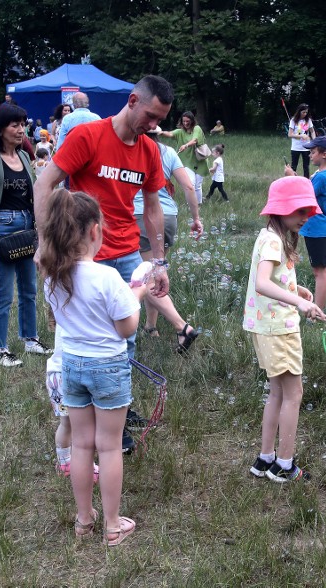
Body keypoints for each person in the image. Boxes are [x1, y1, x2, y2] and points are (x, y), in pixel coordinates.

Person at [34, 75, 202, 453]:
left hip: (127, 250)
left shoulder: (148, 151)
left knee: (127, 334)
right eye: (152, 116)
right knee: (90, 340)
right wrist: (46, 240)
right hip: (84, 254)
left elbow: (154, 207)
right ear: (132, 101)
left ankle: (119, 410)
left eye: (161, 120)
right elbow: (45, 183)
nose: (155, 125)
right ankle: (94, 423)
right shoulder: (87, 137)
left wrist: (158, 261)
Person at [38, 189, 145, 546]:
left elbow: (63, 320)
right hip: (108, 368)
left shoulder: (52, 278)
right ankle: (113, 526)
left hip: (72, 367)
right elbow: (126, 327)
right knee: (110, 447)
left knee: (82, 445)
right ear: (95, 231)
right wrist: (138, 297)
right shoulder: (107, 278)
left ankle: (84, 521)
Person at [245, 176, 324, 482]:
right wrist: (300, 303)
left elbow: (270, 278)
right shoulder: (274, 240)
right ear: (281, 209)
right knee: (293, 394)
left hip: (265, 326)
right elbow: (262, 283)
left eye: (308, 211)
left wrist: (297, 289)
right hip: (279, 328)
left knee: (277, 393)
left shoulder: (268, 235)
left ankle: (265, 459)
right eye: (300, 211)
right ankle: (286, 465)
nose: (305, 218)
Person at [0, 103, 53, 368]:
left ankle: (30, 338)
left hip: (27, 227)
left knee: (29, 289)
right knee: (3, 293)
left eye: (22, 124)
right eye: (15, 125)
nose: (21, 130)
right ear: (0, 128)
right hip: (3, 230)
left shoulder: (21, 157)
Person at [135, 127, 202, 350]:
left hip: (141, 216)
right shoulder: (168, 152)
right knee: (156, 272)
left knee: (147, 278)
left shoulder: (133, 150)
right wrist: (196, 218)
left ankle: (182, 327)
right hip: (169, 217)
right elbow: (189, 186)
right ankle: (150, 326)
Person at [285, 135, 326, 310]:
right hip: (319, 227)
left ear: (324, 154)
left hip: (316, 228)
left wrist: (292, 178)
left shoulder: (322, 177)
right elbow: (308, 189)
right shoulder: (323, 174)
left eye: (313, 152)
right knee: (323, 270)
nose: (310, 155)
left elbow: (304, 197)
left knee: (319, 272)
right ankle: (321, 308)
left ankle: (318, 312)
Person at [46, 326, 99, 483]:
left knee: (65, 424)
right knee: (84, 428)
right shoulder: (80, 314)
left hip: (55, 375)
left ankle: (65, 464)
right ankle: (87, 467)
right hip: (73, 374)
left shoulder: (62, 313)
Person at [159, 111, 210, 201]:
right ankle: (191, 203)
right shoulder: (180, 132)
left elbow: (194, 140)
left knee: (198, 185)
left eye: (188, 121)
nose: (186, 123)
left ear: (192, 121)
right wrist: (160, 132)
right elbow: (170, 134)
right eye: (184, 121)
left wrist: (186, 145)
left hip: (200, 161)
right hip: (187, 162)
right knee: (191, 184)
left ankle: (198, 204)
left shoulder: (197, 128)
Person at [287, 104, 315, 178]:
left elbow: (312, 131)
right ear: (299, 111)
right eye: (303, 112)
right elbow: (290, 134)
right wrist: (301, 136)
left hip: (306, 147)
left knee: (306, 166)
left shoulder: (308, 120)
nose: (305, 114)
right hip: (296, 147)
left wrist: (314, 141)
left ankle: (306, 182)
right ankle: (292, 181)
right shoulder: (293, 120)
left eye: (306, 112)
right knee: (294, 166)